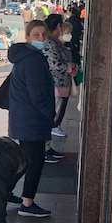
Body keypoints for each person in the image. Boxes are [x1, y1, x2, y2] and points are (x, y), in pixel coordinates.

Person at [7, 20, 55, 217]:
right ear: (27, 37)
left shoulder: (25, 57)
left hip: (23, 118)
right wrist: (50, 115)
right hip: (32, 121)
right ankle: (27, 204)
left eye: (44, 34)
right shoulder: (33, 61)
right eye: (36, 35)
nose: (41, 38)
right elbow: (38, 96)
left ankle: (4, 192)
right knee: (35, 162)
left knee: (27, 161)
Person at [42, 14, 75, 145]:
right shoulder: (50, 43)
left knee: (58, 112)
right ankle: (46, 147)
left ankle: (48, 146)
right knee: (54, 114)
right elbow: (55, 64)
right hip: (56, 84)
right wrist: (70, 66)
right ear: (58, 26)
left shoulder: (55, 41)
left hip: (62, 83)